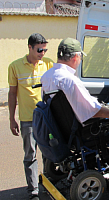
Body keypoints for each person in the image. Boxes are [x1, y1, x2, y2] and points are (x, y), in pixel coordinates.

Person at [40, 38, 109, 152]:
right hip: (88, 129)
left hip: (64, 130)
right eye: (80, 57)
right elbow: (94, 111)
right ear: (75, 57)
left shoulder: (46, 77)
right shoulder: (70, 80)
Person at [8, 33, 54, 200]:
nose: (43, 53)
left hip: (47, 118)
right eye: (39, 49)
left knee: (50, 152)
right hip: (28, 119)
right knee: (30, 155)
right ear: (30, 47)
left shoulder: (48, 63)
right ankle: (33, 191)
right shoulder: (15, 66)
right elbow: (12, 94)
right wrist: (12, 118)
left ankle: (50, 184)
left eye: (45, 49)